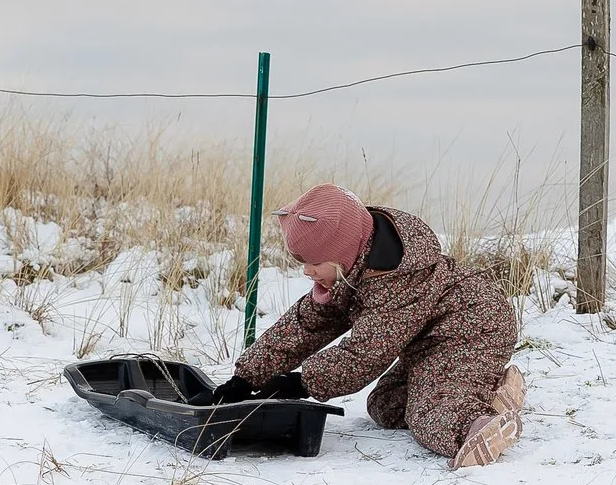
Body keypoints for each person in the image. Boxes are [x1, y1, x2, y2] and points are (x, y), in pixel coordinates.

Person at [215, 183, 525, 468]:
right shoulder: (353, 267)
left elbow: (364, 354)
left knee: (429, 413)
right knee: (385, 405)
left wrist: (300, 383)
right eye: (302, 263)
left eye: (314, 262)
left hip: (470, 329)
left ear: (341, 251)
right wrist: (245, 378)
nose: (308, 271)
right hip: (429, 338)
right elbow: (305, 325)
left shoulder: (395, 278)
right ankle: (489, 389)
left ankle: (478, 426)